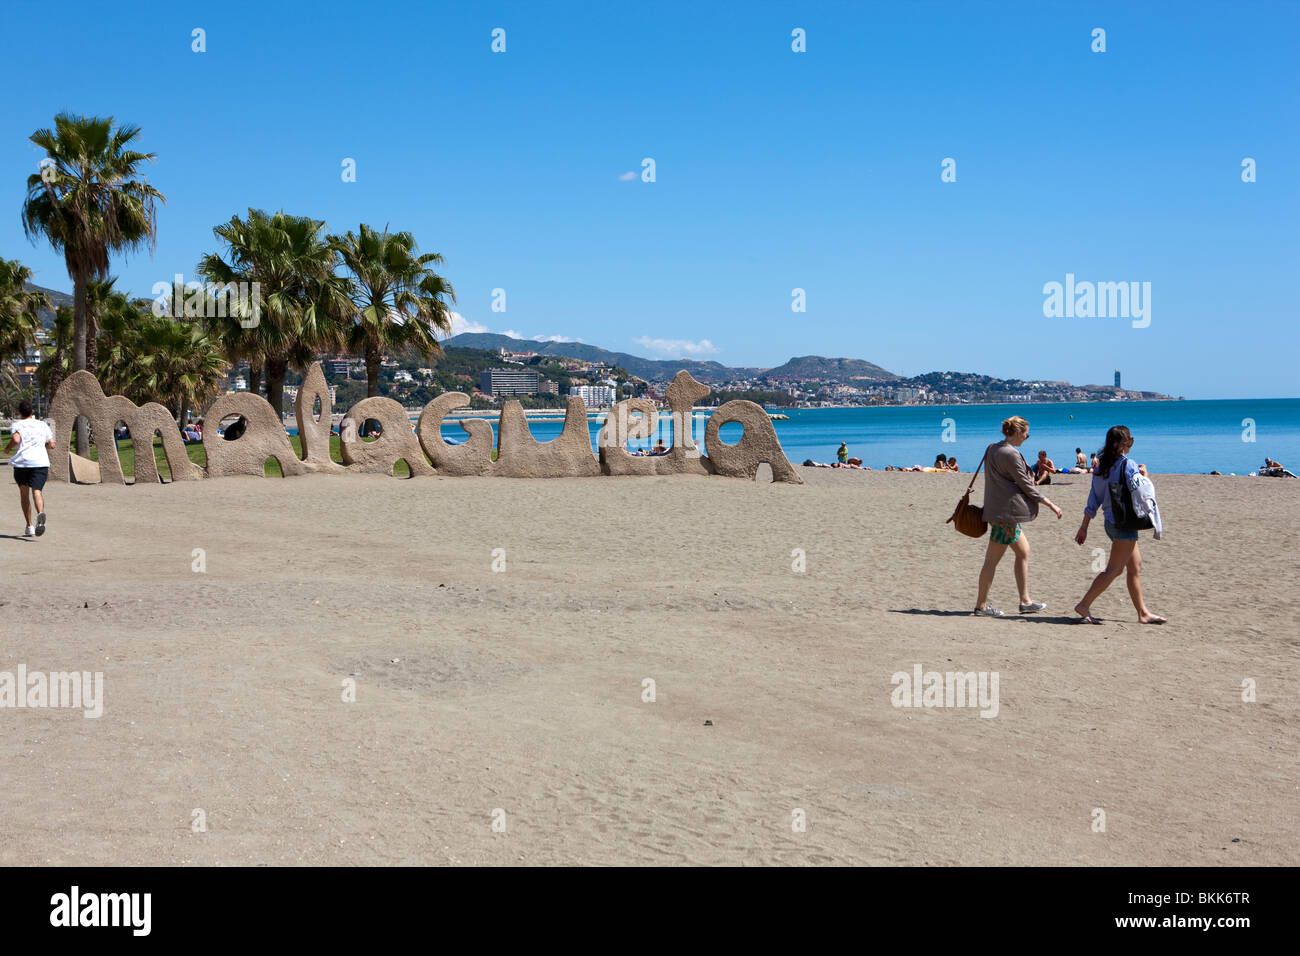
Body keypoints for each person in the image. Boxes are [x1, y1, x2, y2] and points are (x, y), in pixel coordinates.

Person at [1073, 426, 1166, 624]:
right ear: (1124, 444)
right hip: (1124, 523)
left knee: (1135, 566)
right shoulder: (1128, 465)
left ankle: (1142, 613)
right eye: (1129, 442)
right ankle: (1084, 604)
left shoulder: (1100, 467)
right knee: (1114, 570)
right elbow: (1143, 493)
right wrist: (1146, 475)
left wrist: (1084, 526)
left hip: (1111, 523)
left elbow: (1093, 500)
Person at [973, 416, 1063, 617]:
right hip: (1006, 513)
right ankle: (981, 606)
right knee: (991, 561)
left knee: (1023, 552)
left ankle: (1025, 601)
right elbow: (1026, 485)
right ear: (1017, 432)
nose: (1027, 437)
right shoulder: (1010, 453)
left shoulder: (993, 448)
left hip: (998, 511)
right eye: (1026, 434)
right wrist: (1050, 504)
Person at [4, 400, 55, 537]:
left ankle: (29, 526)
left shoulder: (17, 425)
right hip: (40, 463)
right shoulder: (42, 424)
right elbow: (51, 445)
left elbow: (16, 440)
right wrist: (41, 446)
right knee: (37, 491)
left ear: (19, 413)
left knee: (24, 494)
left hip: (23, 464)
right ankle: (40, 513)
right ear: (32, 412)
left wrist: (7, 448)